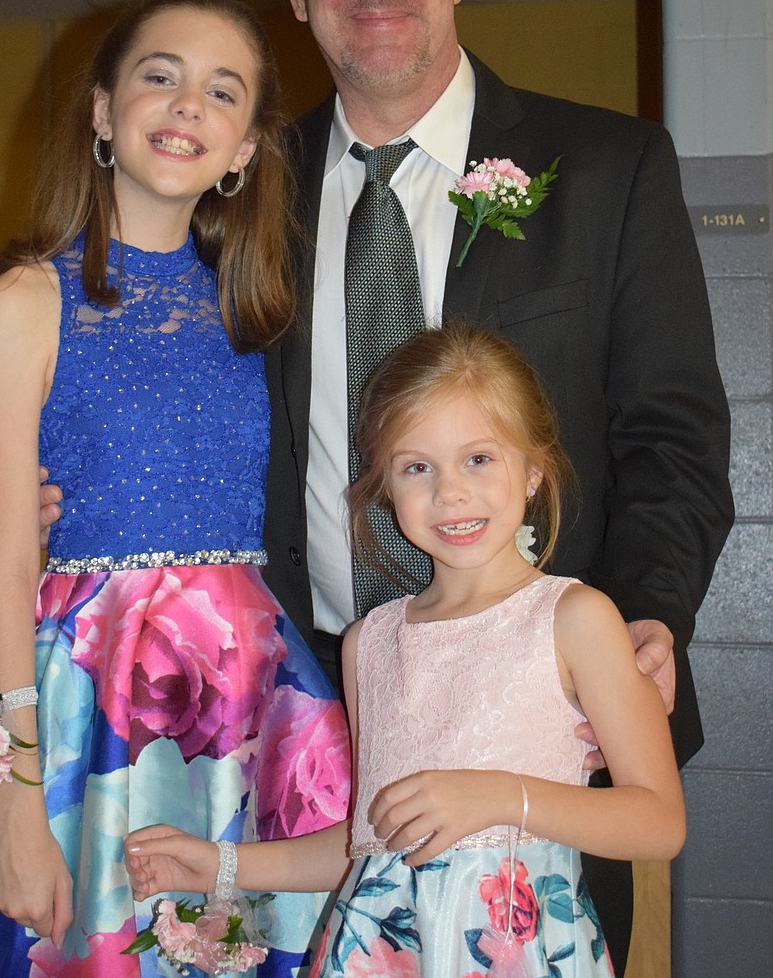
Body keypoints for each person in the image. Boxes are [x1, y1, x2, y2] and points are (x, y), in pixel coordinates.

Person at [252, 0, 733, 973]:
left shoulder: (608, 171)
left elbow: (672, 435)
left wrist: (643, 615)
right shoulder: (247, 194)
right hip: (309, 703)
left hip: (541, 732)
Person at [0, 0, 350, 978]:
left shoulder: (262, 316)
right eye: (160, 77)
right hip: (85, 706)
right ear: (105, 112)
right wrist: (19, 806)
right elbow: (0, 570)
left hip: (250, 705)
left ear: (245, 148)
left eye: (221, 92)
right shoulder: (21, 302)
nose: (187, 106)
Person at [125, 321, 687, 978]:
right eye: (417, 467)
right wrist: (223, 862)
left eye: (479, 458)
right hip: (382, 954)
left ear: (533, 469)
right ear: (386, 485)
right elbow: (367, 842)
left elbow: (658, 820)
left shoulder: (575, 617)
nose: (450, 491)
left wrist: (504, 797)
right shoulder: (372, 643)